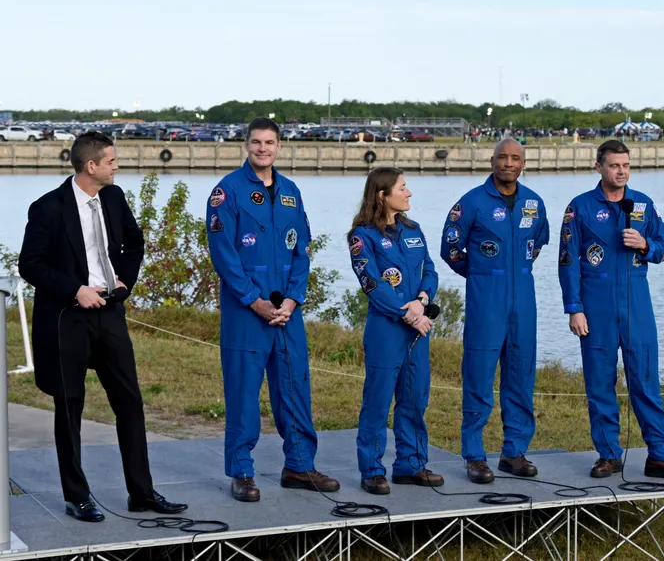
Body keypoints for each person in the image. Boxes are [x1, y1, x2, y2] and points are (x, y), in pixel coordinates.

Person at [18, 131, 188, 522]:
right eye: (111, 160)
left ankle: (141, 493)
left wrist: (125, 282)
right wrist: (75, 290)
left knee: (129, 402)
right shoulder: (46, 208)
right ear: (90, 165)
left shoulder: (114, 197)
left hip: (110, 314)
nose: (117, 165)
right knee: (70, 406)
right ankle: (77, 496)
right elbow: (30, 264)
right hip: (68, 317)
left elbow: (134, 241)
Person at [206, 116, 339, 502]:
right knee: (244, 393)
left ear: (280, 147)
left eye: (270, 143)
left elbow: (303, 250)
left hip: (287, 312)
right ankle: (242, 472)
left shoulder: (291, 192)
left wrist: (294, 299)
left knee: (295, 388)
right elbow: (224, 255)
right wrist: (255, 301)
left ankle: (299, 465)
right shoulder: (226, 192)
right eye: (256, 142)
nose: (263, 149)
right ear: (246, 145)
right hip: (246, 311)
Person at [558, 139, 664, 482]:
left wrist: (645, 244)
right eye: (614, 165)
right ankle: (608, 455)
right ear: (599, 167)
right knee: (601, 384)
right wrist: (574, 308)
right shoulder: (580, 207)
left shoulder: (643, 206)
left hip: (636, 305)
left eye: (626, 165)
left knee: (646, 381)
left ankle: (661, 455)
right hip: (596, 307)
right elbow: (568, 261)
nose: (621, 171)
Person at [441, 138, 549, 483]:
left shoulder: (534, 202)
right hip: (486, 297)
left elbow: (537, 244)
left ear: (523, 163)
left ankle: (514, 451)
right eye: (502, 157)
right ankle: (474, 455)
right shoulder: (471, 202)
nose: (508, 163)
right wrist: (480, 274)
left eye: (515, 158)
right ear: (492, 161)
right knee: (479, 376)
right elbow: (451, 248)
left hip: (524, 298)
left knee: (521, 376)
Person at [347, 167, 444, 494]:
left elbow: (429, 270)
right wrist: (409, 313)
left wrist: (422, 299)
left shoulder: (413, 230)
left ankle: (411, 464)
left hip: (417, 334)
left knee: (415, 398)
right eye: (403, 187)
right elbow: (371, 283)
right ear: (382, 195)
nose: (409, 193)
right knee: (377, 401)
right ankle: (372, 469)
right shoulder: (362, 237)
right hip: (386, 329)